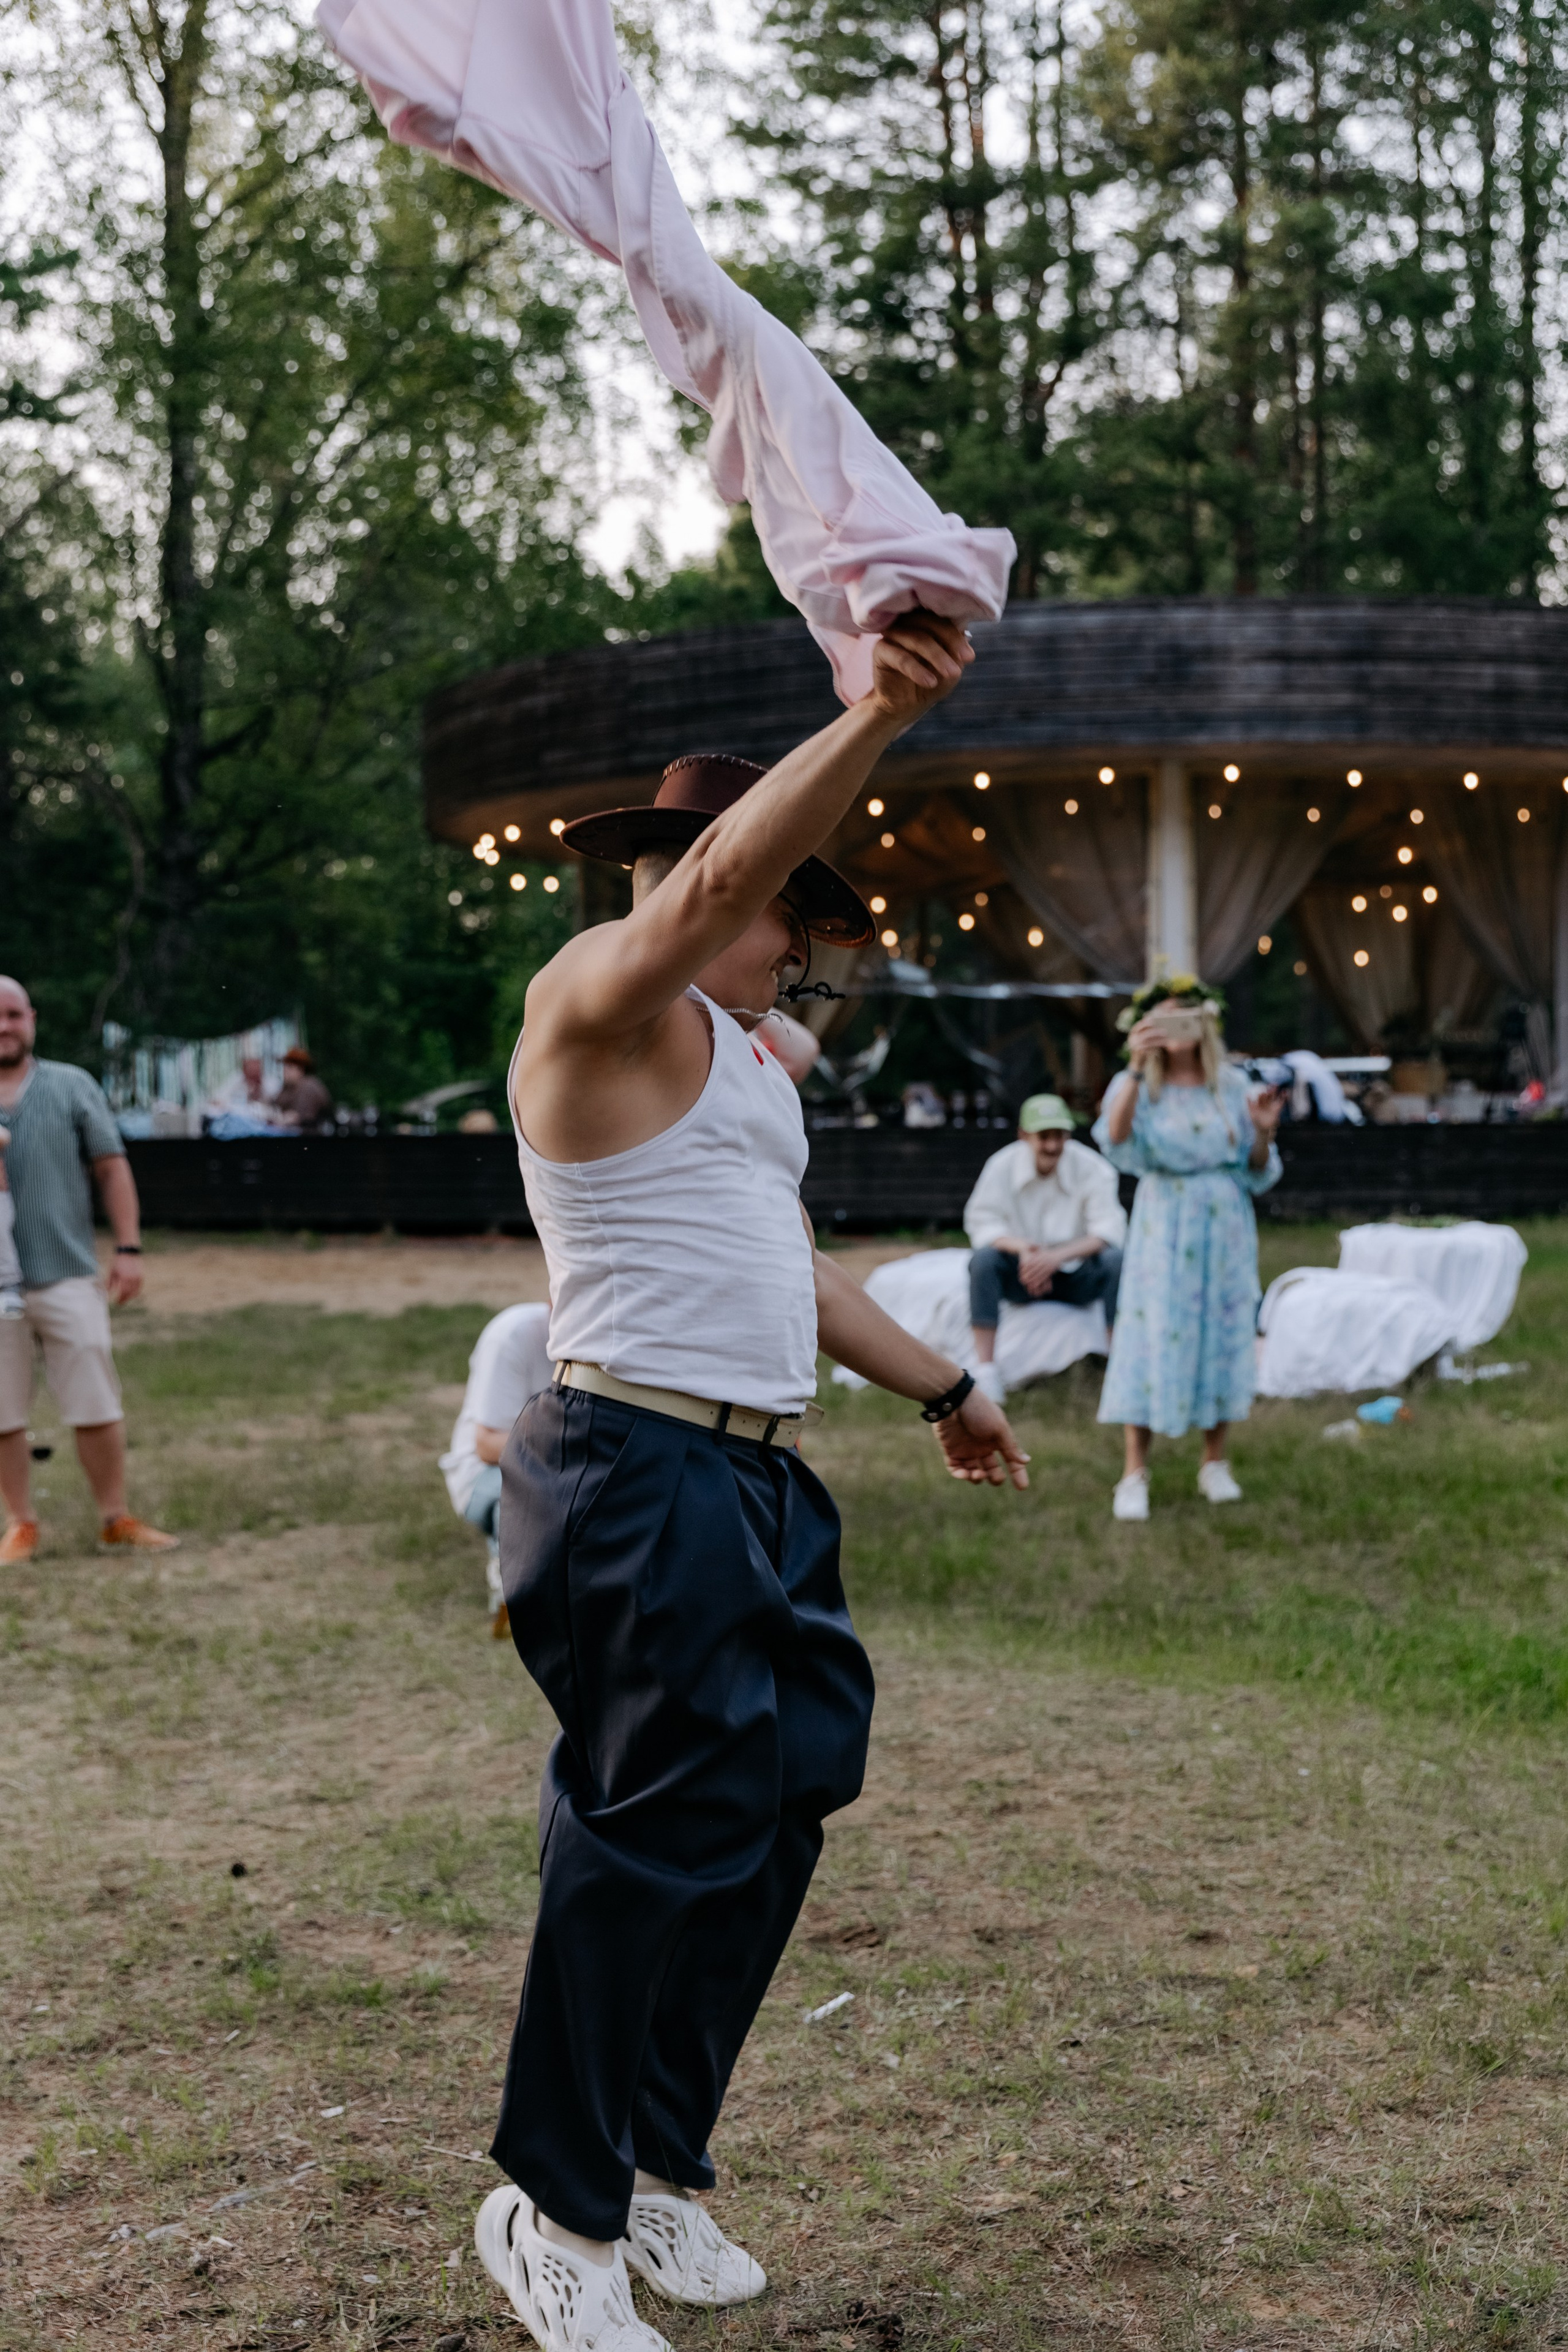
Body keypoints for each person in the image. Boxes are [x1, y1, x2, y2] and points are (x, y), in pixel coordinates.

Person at [477, 614, 1028, 2352]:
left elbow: (790, 1269)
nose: (802, 944)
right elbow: (717, 880)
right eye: (796, 908)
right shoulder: (594, 1001)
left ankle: (649, 2161)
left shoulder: (744, 1070)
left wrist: (945, 1385)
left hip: (758, 1479)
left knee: (784, 1791)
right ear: (715, 885)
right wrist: (878, 711)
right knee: (650, 1830)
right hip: (629, 1464)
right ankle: (554, 2209)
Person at [0, 976, 179, 1564]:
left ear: (32, 1019)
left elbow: (111, 1166)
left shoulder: (72, 1085)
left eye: (13, 1014)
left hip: (67, 1272)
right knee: (3, 1411)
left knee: (96, 1401)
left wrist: (128, 1248)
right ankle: (21, 1524)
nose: (4, 1026)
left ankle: (114, 1518)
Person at [1092, 978, 1283, 1523]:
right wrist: (1136, 1065)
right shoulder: (1138, 1084)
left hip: (1223, 1226)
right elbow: (1114, 1139)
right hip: (1164, 1223)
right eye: (1165, 1019)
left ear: (1206, 1024)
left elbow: (1256, 1168)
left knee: (1222, 1332)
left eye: (1187, 1017)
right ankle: (1134, 1471)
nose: (1177, 1029)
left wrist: (1264, 1133)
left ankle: (1214, 1461)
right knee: (1153, 1333)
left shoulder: (1232, 1085)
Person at [963, 1091, 1127, 1403]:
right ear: (1024, 1136)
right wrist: (1025, 1250)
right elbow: (981, 1221)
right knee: (982, 1261)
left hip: (1076, 1275)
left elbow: (1109, 1230)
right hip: (1022, 1273)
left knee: (1116, 1260)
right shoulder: (1001, 1166)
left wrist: (1056, 1258)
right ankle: (986, 1370)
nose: (1053, 1146)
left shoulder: (1093, 1167)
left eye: (1059, 1136)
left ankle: (1117, 1363)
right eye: (1044, 1137)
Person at [440, 1302, 554, 1637]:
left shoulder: (606, 1345)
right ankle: (511, 1586)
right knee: (533, 1495)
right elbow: (488, 1446)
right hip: (481, 1473)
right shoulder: (513, 1334)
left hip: (556, 1470)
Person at [274, 1047, 334, 1131]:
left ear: (301, 1069)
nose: (285, 1070)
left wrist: (279, 1118)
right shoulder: (289, 1086)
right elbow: (276, 1105)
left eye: (290, 1066)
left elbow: (297, 1117)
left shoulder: (309, 1086)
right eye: (285, 1066)